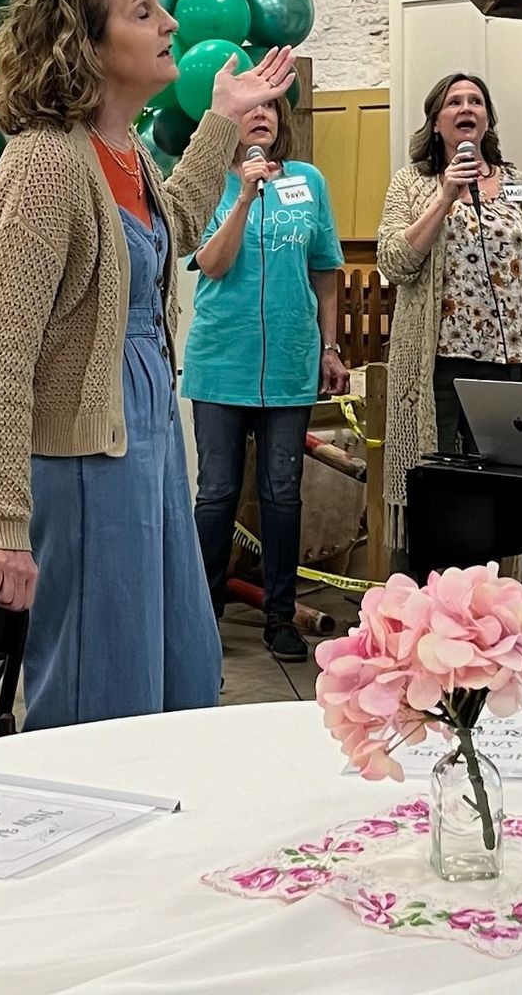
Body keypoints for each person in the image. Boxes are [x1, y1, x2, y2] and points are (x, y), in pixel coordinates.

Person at [0, 0, 295, 730]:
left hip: (145, 440)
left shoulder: (124, 150)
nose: (170, 21)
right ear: (87, 43)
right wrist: (2, 522)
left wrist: (219, 122)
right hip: (83, 459)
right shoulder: (45, 163)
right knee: (100, 684)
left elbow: (174, 222)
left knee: (180, 661)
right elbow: (0, 356)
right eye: (143, 12)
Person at [376, 73, 522, 554]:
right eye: (453, 102)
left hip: (508, 369)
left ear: (487, 118)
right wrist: (445, 197)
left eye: (475, 101)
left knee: (504, 500)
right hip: (438, 370)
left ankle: (496, 610)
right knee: (436, 495)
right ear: (436, 120)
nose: (465, 108)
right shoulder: (413, 184)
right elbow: (394, 262)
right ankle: (428, 609)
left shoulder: (521, 187)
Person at [182, 96, 348, 666]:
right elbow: (213, 263)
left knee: (282, 492)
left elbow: (325, 269)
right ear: (228, 118)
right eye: (251, 108)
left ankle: (281, 616)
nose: (263, 117)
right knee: (218, 493)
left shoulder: (308, 181)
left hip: (289, 361)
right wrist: (246, 196)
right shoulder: (208, 183)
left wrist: (330, 345)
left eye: (272, 109)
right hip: (221, 361)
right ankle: (202, 613)